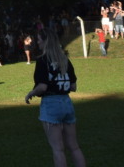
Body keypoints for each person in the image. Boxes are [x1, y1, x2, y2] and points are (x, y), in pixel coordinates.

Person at [24, 29, 85, 167]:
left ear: (46, 41)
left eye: (39, 39)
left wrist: (31, 93)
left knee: (58, 149)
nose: (37, 42)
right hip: (66, 103)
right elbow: (73, 86)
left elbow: (43, 87)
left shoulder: (42, 61)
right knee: (74, 147)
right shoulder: (65, 60)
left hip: (51, 104)